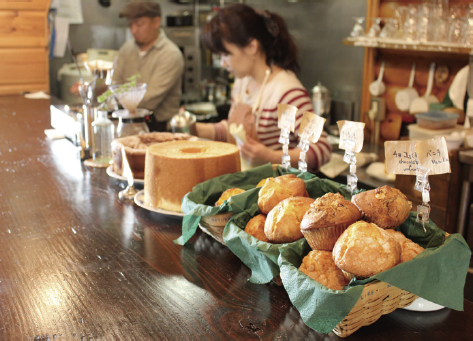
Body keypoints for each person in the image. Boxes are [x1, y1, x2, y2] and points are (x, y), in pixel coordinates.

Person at [196, 4, 331, 173]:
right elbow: (235, 130)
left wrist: (271, 157)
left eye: (226, 54)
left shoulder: (286, 92)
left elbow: (321, 149)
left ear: (252, 47)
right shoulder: (243, 82)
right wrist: (194, 128)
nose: (223, 63)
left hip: (280, 192)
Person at [113, 1, 184, 132]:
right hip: (126, 125)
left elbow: (149, 100)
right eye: (130, 24)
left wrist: (116, 99)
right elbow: (115, 83)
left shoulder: (170, 54)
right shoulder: (126, 49)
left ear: (156, 22)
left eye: (139, 24)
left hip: (160, 129)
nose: (133, 30)